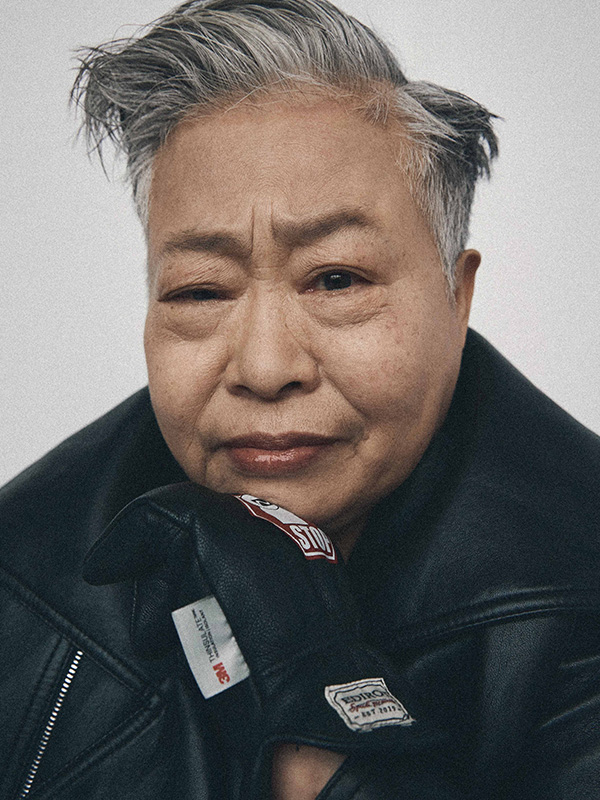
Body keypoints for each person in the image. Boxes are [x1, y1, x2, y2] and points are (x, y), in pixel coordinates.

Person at [1, 1, 598, 798]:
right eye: (201, 290)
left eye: (336, 279)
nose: (265, 366)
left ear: (456, 297)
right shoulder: (21, 577)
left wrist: (313, 697)